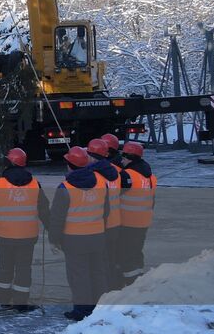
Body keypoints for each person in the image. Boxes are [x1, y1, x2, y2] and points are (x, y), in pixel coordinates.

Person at [0, 147, 49, 312]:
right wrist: (51, 229)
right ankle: (21, 302)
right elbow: (44, 209)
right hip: (28, 236)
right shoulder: (35, 184)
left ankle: (4, 300)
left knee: (5, 267)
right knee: (23, 269)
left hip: (4, 235)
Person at [50, 145, 109, 321]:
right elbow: (106, 211)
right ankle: (100, 308)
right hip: (97, 236)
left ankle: (82, 311)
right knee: (98, 272)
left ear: (69, 165)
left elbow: (57, 218)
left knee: (79, 275)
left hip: (74, 239)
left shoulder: (65, 188)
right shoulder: (100, 182)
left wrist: (54, 240)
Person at [87, 135, 125, 291]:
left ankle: (104, 292)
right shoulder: (116, 172)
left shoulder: (94, 176)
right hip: (115, 223)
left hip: (100, 224)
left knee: (99, 262)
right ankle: (115, 288)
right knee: (111, 258)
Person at [118, 140, 157, 281]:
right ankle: (139, 280)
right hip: (144, 221)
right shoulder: (150, 176)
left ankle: (130, 283)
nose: (121, 160)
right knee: (136, 252)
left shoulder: (127, 175)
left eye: (122, 157)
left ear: (128, 157)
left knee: (126, 254)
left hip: (128, 222)